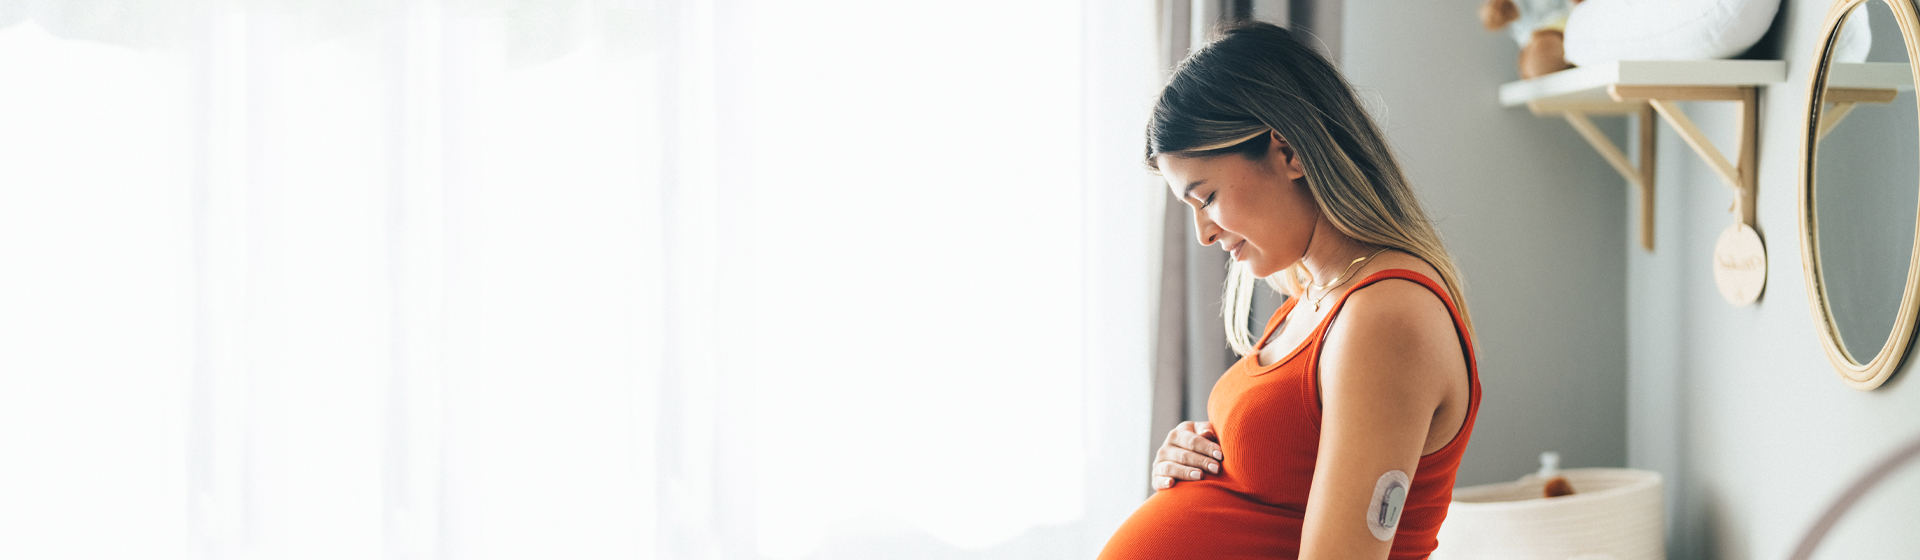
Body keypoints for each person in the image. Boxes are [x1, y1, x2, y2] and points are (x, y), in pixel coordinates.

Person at [1097, 22, 1481, 560]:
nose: (1204, 234)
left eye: (1205, 198)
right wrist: (1200, 460)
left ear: (1289, 151)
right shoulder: (1315, 297)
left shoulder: (1386, 314)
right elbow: (1278, 489)